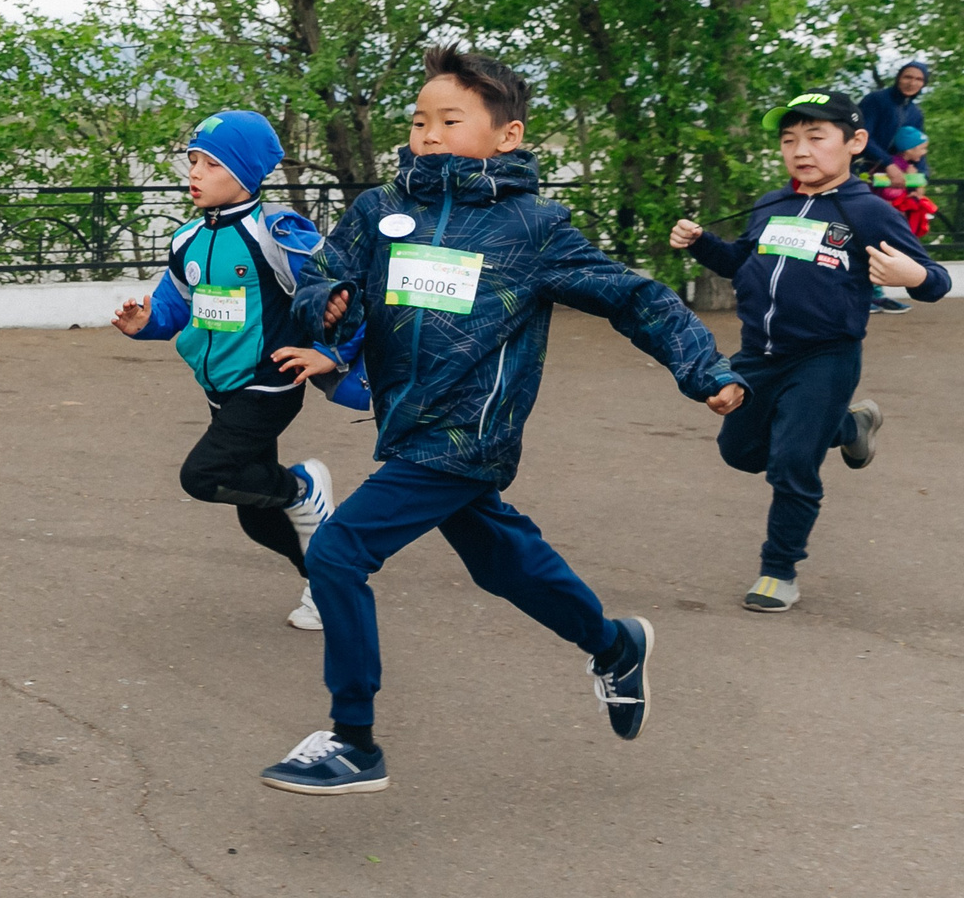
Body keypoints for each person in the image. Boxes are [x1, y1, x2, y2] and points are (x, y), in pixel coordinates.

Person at [255, 46, 746, 796]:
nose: (428, 133)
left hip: (469, 432)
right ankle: (614, 646)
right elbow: (326, 277)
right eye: (419, 120)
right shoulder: (381, 210)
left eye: (450, 120)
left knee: (339, 552)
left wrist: (704, 369)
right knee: (500, 560)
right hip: (405, 421)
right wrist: (325, 315)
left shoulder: (532, 226)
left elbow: (634, 298)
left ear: (507, 135)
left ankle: (353, 741)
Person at [671, 90, 948, 614]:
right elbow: (739, 264)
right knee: (739, 453)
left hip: (825, 357)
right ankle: (847, 427)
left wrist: (912, 275)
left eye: (816, 138)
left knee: (793, 461)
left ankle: (778, 570)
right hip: (757, 354)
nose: (801, 150)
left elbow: (934, 280)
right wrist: (701, 242)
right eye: (789, 140)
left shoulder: (869, 211)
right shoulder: (771, 204)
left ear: (855, 142)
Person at [112, 111, 355, 631]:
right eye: (193, 161)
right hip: (218, 388)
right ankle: (328, 583)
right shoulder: (187, 238)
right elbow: (175, 305)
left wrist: (333, 353)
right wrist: (146, 322)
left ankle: (303, 488)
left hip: (269, 382)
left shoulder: (276, 236)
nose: (195, 173)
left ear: (245, 172)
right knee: (256, 518)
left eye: (212, 163)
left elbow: (343, 298)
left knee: (204, 476)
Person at [856, 61, 928, 176]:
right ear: (898, 78)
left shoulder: (915, 113)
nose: (912, 83)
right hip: (863, 168)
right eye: (907, 77)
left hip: (896, 174)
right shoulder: (876, 100)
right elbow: (861, 135)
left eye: (919, 79)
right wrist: (888, 163)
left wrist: (922, 174)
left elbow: (918, 147)